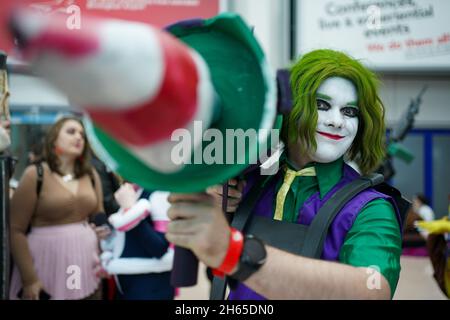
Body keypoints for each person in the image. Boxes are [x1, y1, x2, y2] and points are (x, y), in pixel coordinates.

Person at [166, 49, 403, 300]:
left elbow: (373, 290)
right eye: (322, 105)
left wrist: (232, 250)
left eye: (349, 112)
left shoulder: (371, 209)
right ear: (290, 108)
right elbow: (218, 276)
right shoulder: (252, 183)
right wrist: (218, 212)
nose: (337, 121)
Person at [9, 116, 105, 300]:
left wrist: (100, 228)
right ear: (54, 139)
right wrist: (29, 279)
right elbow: (15, 230)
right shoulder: (35, 174)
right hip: (45, 266)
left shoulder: (91, 175)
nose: (78, 137)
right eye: (71, 132)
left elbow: (98, 213)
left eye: (82, 135)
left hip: (86, 265)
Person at [100, 183, 175, 300]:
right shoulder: (137, 189)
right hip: (129, 285)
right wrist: (108, 237)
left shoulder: (159, 193)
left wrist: (130, 209)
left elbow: (160, 248)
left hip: (150, 288)